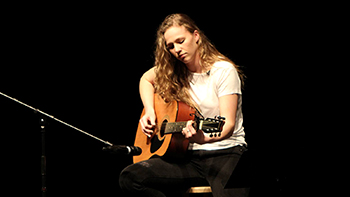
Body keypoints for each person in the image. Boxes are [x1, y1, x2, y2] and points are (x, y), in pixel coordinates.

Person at [119, 13, 247, 197]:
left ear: (196, 36)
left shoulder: (223, 71)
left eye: (181, 41)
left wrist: (200, 138)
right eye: (170, 46)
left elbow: (227, 124)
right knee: (131, 177)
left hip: (228, 153)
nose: (177, 49)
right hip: (189, 158)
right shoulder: (174, 70)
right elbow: (146, 79)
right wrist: (149, 111)